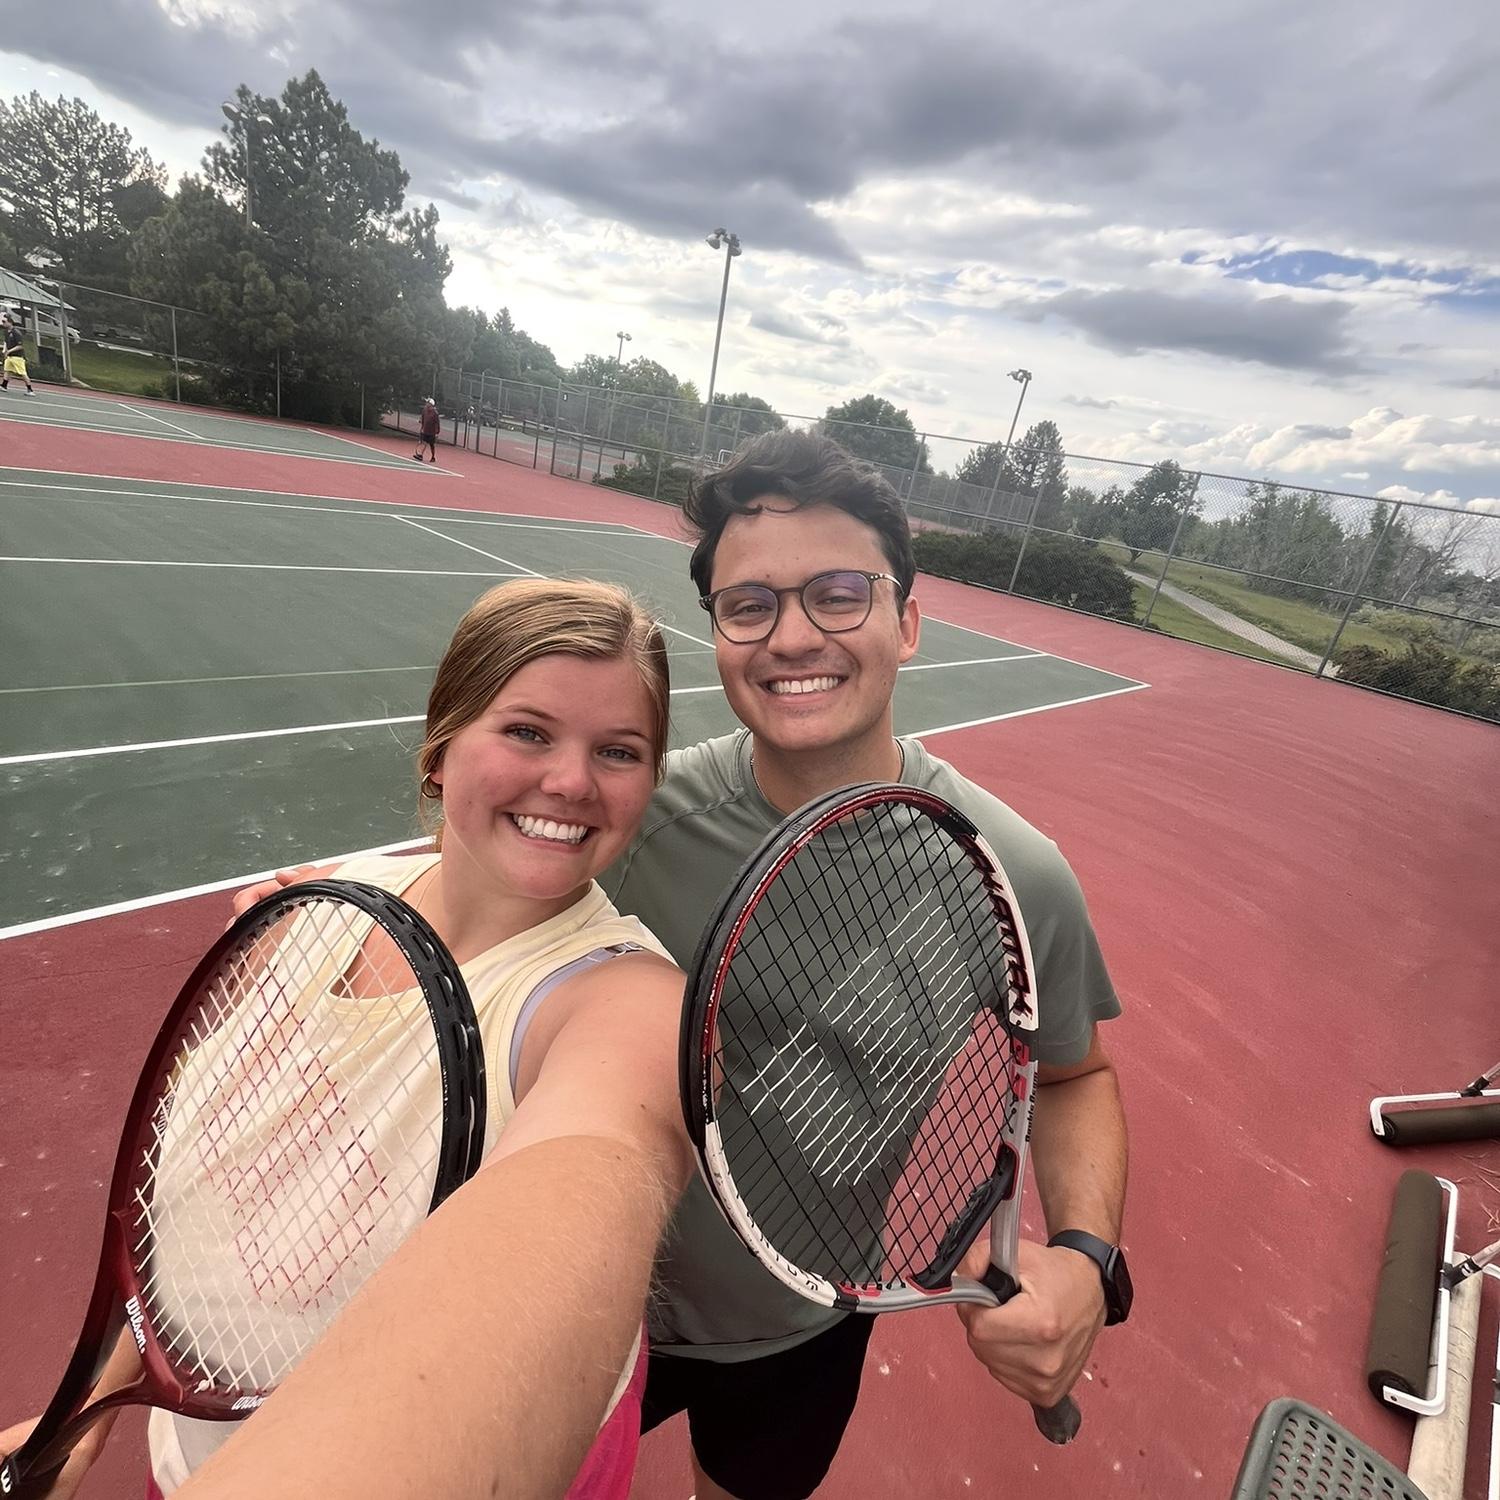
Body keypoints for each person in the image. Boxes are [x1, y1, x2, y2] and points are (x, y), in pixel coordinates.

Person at [224, 430, 1130, 1500]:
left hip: (803, 1324)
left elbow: (1076, 1081)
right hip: (583, 1310)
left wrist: (1084, 1256)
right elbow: (487, 858)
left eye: (839, 593)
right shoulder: (637, 816)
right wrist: (341, 901)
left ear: (909, 621)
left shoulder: (1013, 872)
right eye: (750, 606)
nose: (793, 635)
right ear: (720, 633)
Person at [1, 578, 693, 1500]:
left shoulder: (628, 1005)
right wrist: (93, 1398)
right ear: (442, 748)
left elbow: (606, 1158)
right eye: (528, 731)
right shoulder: (311, 911)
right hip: (201, 1448)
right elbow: (209, 1204)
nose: (571, 780)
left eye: (619, 750)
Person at [2, 314, 37, 395]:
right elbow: (6, 342)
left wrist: (9, 351)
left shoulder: (16, 332)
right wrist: (5, 350)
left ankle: (30, 390)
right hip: (10, 357)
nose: (3, 324)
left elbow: (20, 346)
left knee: (22, 373)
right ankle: (4, 386)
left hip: (17, 357)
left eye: (4, 322)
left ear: (10, 322)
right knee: (7, 370)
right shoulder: (6, 332)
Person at [412, 397, 441, 462]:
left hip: (432, 432)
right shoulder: (424, 410)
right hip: (425, 431)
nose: (426, 404)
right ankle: (420, 455)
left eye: (428, 403)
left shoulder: (435, 413)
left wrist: (437, 432)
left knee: (432, 445)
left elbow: (437, 423)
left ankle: (433, 457)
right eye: (426, 403)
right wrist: (421, 423)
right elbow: (422, 417)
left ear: (431, 404)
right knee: (424, 442)